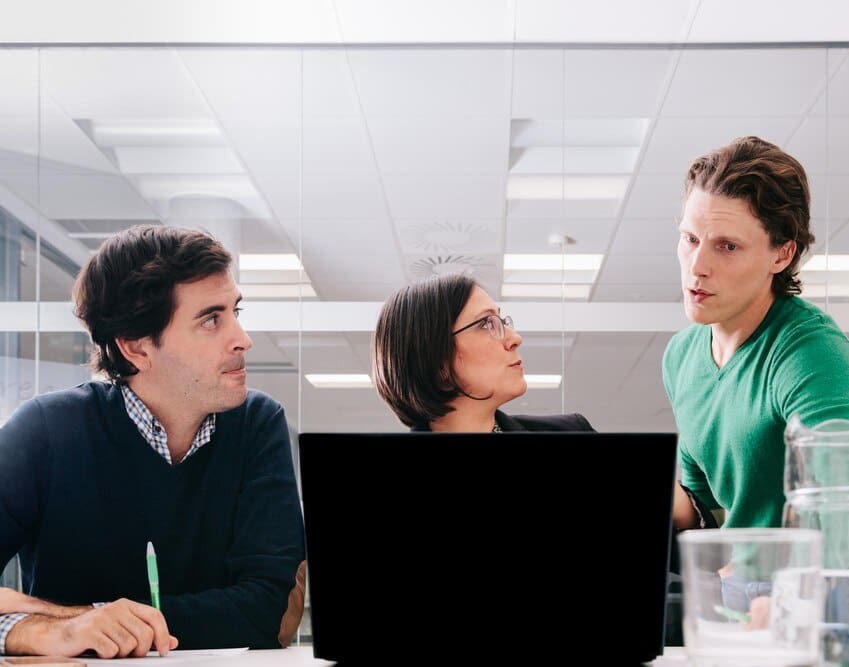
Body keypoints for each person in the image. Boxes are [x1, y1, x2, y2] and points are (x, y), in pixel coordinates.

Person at [0, 225, 305, 657]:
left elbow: (268, 612)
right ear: (136, 348)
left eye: (235, 312)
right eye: (211, 320)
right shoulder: (47, 431)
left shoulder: (256, 423)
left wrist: (90, 621)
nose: (243, 339)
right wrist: (41, 632)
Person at [664, 136, 849, 532]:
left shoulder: (812, 353)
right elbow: (704, 508)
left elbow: (838, 515)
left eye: (727, 246)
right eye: (690, 239)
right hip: (728, 577)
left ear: (782, 254)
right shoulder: (680, 355)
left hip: (799, 582)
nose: (697, 266)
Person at [372, 273, 593, 433]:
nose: (515, 338)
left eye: (502, 321)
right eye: (487, 324)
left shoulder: (573, 431)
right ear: (436, 359)